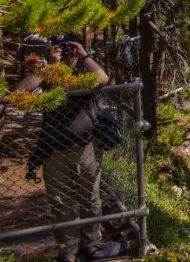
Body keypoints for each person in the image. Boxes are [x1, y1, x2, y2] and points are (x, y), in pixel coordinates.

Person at [17, 35, 119, 262]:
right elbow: (19, 94)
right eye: (61, 49)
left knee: (90, 198)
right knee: (61, 202)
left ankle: (92, 243)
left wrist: (84, 55)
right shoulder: (50, 77)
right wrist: (49, 68)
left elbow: (103, 79)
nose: (66, 53)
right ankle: (69, 250)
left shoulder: (84, 77)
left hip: (85, 147)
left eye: (69, 49)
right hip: (54, 150)